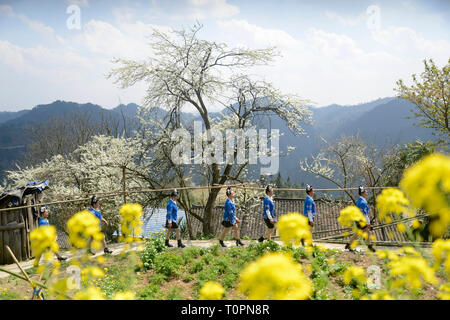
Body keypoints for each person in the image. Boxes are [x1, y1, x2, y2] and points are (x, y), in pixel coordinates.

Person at [345, 186, 376, 253]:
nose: (367, 193)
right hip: (361, 220)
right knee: (360, 233)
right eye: (366, 192)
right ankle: (350, 245)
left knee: (364, 233)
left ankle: (350, 244)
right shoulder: (363, 203)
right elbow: (364, 214)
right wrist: (368, 223)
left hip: (358, 219)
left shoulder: (359, 200)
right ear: (363, 193)